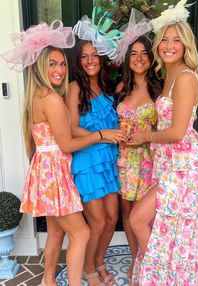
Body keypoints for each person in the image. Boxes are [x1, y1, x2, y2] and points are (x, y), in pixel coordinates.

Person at [1, 20, 125, 286]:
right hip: (54, 175)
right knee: (80, 234)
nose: (59, 70)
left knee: (56, 232)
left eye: (61, 64)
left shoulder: (38, 96)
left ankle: (48, 280)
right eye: (52, 64)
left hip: (46, 171)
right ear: (39, 67)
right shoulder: (53, 99)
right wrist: (101, 135)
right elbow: (67, 144)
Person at [127, 1, 198, 285]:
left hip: (183, 167)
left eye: (177, 40)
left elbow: (177, 132)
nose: (169, 45)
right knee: (162, 228)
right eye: (164, 39)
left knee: (141, 220)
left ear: (186, 44)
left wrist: (145, 136)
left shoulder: (185, 78)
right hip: (170, 164)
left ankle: (162, 277)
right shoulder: (169, 76)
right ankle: (164, 276)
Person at [66, 10, 126, 286]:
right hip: (88, 161)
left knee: (113, 218)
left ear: (101, 59)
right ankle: (89, 269)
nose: (90, 61)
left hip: (109, 162)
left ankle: (99, 261)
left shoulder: (106, 87)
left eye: (94, 55)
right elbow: (72, 128)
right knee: (98, 223)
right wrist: (103, 135)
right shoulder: (75, 87)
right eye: (84, 56)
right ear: (78, 61)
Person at [115, 34, 162, 284]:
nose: (139, 58)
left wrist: (145, 136)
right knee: (127, 213)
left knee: (144, 218)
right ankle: (136, 259)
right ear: (128, 59)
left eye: (144, 53)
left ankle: (151, 263)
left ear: (150, 57)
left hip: (148, 162)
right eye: (133, 53)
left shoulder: (159, 88)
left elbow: (169, 129)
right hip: (124, 161)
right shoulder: (122, 89)